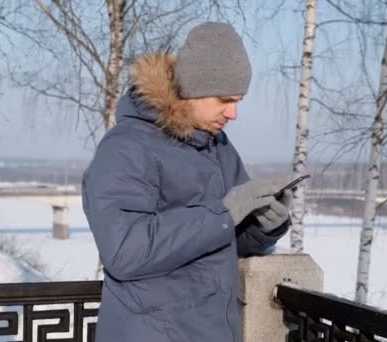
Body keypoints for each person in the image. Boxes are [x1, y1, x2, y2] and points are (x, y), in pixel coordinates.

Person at [82, 22, 292, 342]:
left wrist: (263, 226)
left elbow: (225, 238)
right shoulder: (126, 148)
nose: (233, 113)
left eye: (237, 100)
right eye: (224, 99)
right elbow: (125, 252)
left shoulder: (219, 147)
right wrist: (224, 213)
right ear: (194, 90)